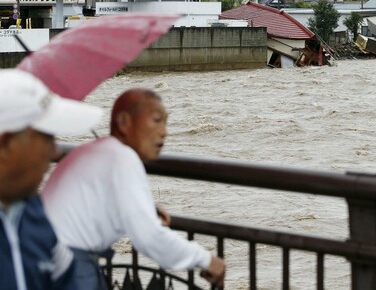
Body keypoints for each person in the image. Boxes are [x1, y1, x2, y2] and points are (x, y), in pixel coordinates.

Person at [42, 88, 226, 289]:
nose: (165, 131)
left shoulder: (92, 151)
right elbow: (149, 237)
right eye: (156, 120)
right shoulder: (123, 158)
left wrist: (146, 207)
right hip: (69, 269)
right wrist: (207, 260)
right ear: (123, 122)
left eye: (166, 122)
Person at [0, 69, 103, 290]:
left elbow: (68, 282)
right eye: (47, 137)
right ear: (6, 144)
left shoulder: (33, 213)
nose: (55, 152)